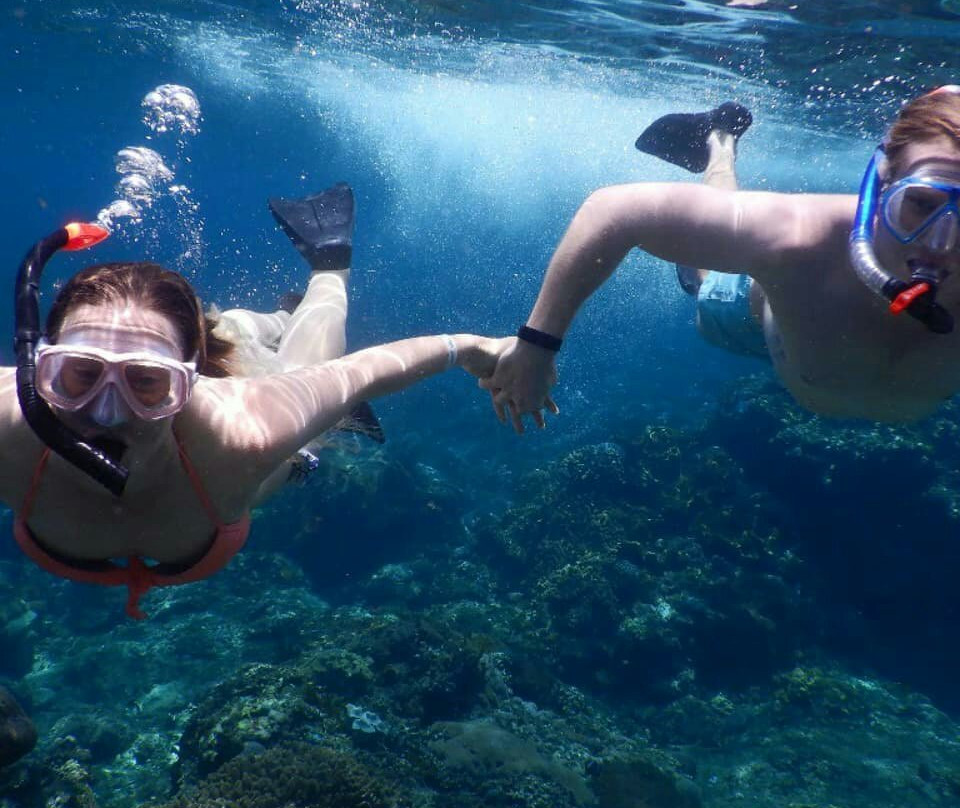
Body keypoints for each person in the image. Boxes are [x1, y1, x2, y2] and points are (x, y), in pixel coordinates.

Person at [2, 184, 505, 619]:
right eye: (81, 374)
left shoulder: (246, 432)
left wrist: (476, 349)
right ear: (39, 368)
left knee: (300, 378)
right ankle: (257, 325)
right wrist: (474, 350)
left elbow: (359, 373)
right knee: (226, 339)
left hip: (257, 442)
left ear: (190, 385)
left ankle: (328, 265)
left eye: (147, 383)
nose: (107, 412)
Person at [481, 87, 960, 430]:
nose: (941, 244)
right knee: (704, 284)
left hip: (806, 349)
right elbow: (615, 210)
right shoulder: (799, 241)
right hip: (760, 321)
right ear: (881, 185)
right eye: (920, 203)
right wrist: (537, 346)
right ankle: (719, 141)